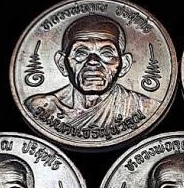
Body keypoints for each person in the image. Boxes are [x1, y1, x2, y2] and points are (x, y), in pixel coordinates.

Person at [25, 14, 158, 129]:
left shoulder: (144, 107)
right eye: (81, 53)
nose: (93, 61)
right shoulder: (41, 107)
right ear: (62, 63)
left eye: (106, 53)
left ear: (124, 64)